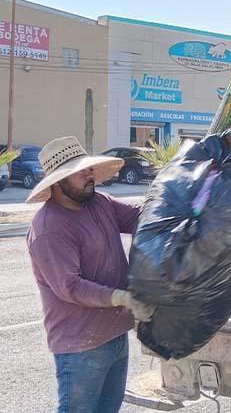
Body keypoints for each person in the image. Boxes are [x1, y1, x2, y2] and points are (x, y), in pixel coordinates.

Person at [26, 136, 155, 413]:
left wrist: (169, 201)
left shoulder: (100, 203)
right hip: (80, 346)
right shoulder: (49, 228)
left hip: (115, 336)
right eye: (81, 172)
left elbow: (138, 218)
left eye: (89, 168)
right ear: (58, 181)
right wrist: (121, 297)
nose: (90, 175)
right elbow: (69, 287)